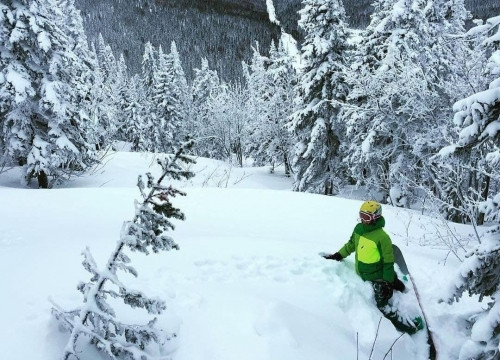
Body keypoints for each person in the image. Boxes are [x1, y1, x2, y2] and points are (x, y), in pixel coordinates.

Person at [323, 200, 423, 334]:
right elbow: (351, 245)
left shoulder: (382, 237)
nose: (363, 220)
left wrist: (386, 282)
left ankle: (411, 326)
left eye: (367, 217)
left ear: (376, 217)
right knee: (391, 278)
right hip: (365, 272)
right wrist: (338, 255)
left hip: (378, 276)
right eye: (362, 215)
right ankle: (395, 282)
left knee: (382, 305)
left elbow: (388, 261)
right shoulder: (358, 229)